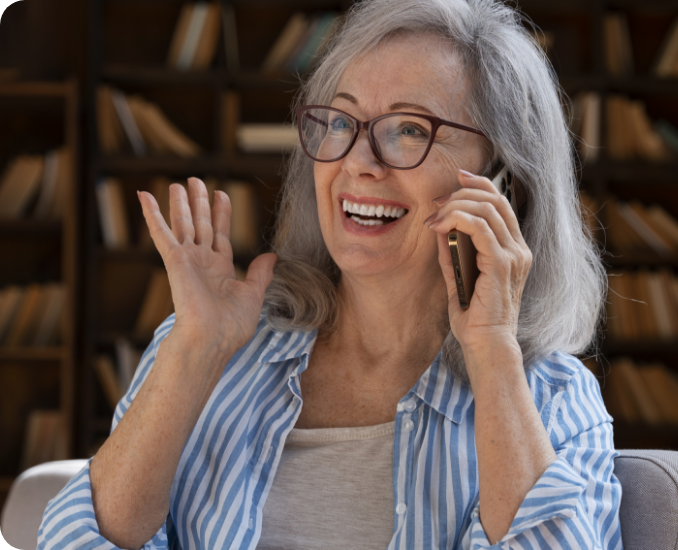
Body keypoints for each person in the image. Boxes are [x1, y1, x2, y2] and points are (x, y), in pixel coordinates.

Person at [38, 0, 622, 548]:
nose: (357, 163)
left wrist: (493, 353)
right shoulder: (206, 349)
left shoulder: (554, 401)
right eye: (341, 122)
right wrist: (194, 351)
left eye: (409, 130)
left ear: (501, 184)